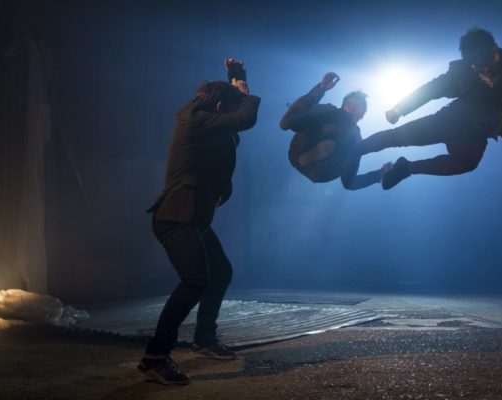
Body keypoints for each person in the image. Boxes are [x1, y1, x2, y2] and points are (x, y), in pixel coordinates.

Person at [138, 58, 260, 385]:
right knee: (195, 281)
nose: (231, 120)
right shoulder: (194, 119)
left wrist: (236, 77)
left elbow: (234, 119)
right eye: (228, 110)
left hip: (192, 218)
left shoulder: (207, 120)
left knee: (220, 273)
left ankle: (204, 338)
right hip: (177, 218)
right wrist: (246, 94)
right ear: (218, 106)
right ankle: (155, 357)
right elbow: (244, 118)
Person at [349, 28, 502, 189]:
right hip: (450, 120)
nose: (485, 70)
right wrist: (399, 109)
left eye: (488, 62)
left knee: (467, 163)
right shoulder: (461, 73)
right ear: (471, 64)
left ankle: (406, 168)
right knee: (399, 137)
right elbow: (431, 89)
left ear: (495, 49)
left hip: (478, 132)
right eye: (479, 67)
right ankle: (356, 150)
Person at [280, 72, 389, 190]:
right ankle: (290, 126)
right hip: (299, 149)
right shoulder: (330, 111)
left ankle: (320, 151)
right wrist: (320, 89)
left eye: (357, 106)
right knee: (326, 113)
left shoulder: (356, 138)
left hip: (323, 170)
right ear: (343, 106)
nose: (352, 108)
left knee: (349, 138)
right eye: (349, 105)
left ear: (361, 115)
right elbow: (307, 113)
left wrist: (380, 173)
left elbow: (350, 183)